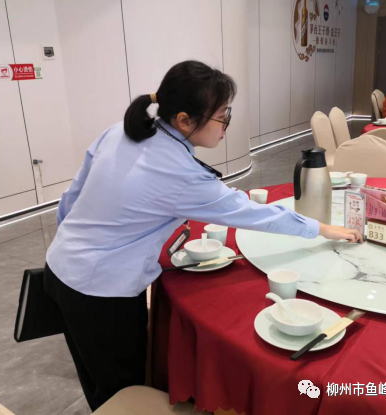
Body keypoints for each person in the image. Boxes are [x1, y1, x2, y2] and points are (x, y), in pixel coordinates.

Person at [42, 60, 362, 411]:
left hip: (58, 270)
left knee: (95, 380)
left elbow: (72, 196)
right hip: (102, 294)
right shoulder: (180, 173)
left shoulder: (120, 131)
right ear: (184, 120)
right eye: (222, 116)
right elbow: (252, 214)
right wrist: (321, 228)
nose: (226, 125)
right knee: (122, 393)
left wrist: (74, 245)